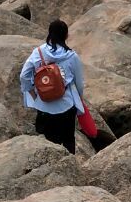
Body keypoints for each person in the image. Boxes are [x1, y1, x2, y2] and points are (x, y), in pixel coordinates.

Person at [19, 19, 89, 152]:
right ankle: (69, 168)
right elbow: (79, 83)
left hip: (44, 105)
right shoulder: (72, 56)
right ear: (66, 35)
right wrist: (79, 98)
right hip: (66, 105)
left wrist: (32, 93)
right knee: (68, 140)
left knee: (47, 144)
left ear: (49, 34)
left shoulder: (38, 52)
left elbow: (24, 75)